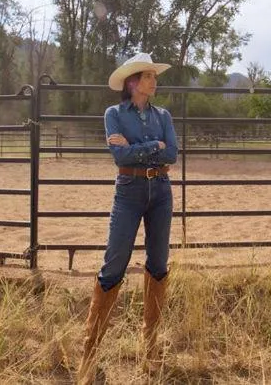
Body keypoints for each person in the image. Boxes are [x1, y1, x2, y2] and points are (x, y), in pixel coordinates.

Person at [78, 52, 178, 383]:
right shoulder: (114, 114)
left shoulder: (163, 115)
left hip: (161, 190)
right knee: (114, 263)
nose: (154, 80)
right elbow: (119, 156)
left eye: (154, 76)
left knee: (159, 264)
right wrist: (154, 146)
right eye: (148, 76)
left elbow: (172, 153)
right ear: (133, 82)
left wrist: (141, 147)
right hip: (129, 191)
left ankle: (149, 348)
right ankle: (89, 352)